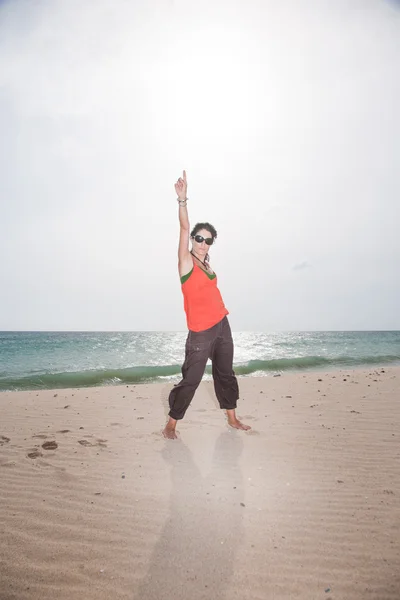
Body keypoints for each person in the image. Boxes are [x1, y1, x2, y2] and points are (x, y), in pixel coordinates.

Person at [162, 170, 250, 439]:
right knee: (192, 378)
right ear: (193, 241)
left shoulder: (207, 265)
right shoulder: (186, 261)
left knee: (226, 373)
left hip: (222, 325)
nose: (202, 242)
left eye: (207, 239)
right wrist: (182, 200)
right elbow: (183, 228)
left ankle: (232, 418)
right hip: (200, 331)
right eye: (198, 238)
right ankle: (172, 422)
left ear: (211, 243)